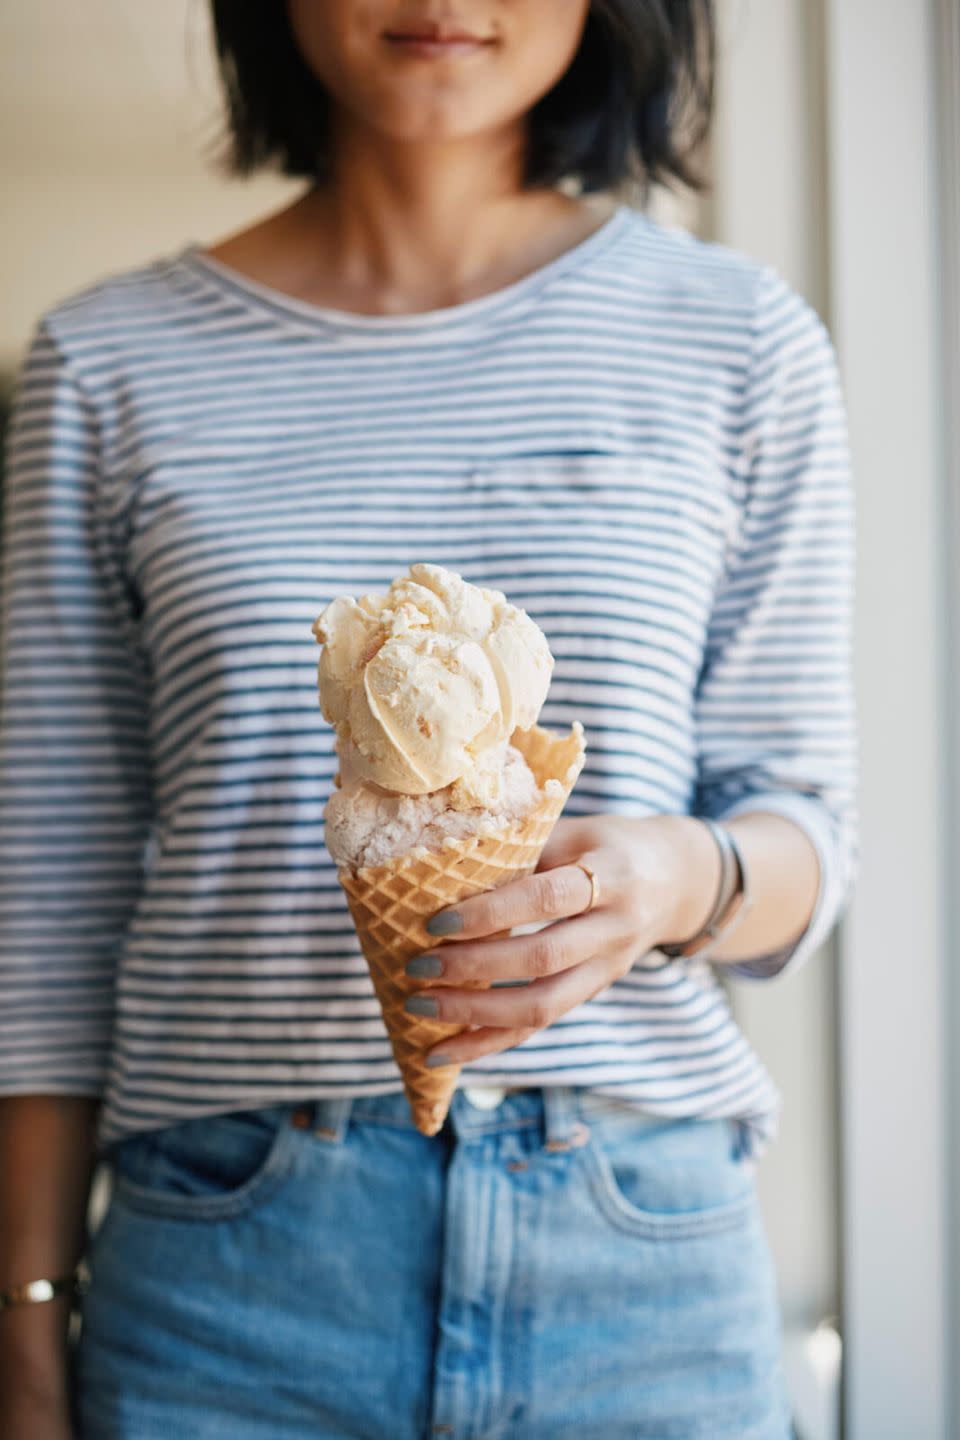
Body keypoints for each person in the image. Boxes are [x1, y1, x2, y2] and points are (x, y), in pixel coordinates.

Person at [0, 2, 857, 1436]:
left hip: (639, 1265)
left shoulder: (741, 339)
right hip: (229, 1272)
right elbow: (47, 896)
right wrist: (24, 1325)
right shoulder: (108, 364)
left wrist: (669, 880)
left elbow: (808, 835)